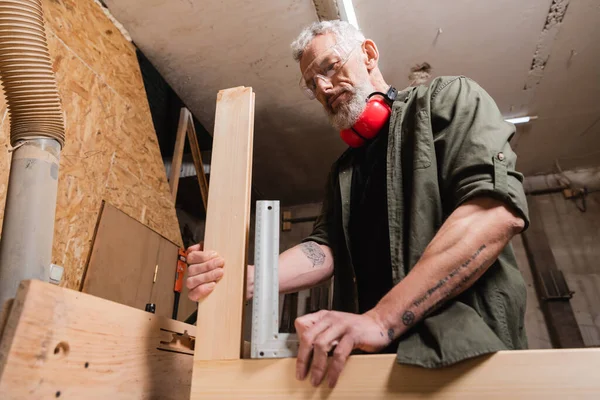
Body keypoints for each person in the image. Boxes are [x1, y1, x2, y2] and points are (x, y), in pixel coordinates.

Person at [185, 20, 529, 389]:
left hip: (464, 357)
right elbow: (325, 249)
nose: (323, 88)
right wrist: (250, 279)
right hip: (371, 365)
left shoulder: (447, 99)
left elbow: (493, 214)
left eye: (329, 67)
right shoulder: (344, 170)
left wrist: (382, 319)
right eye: (312, 84)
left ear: (367, 54)